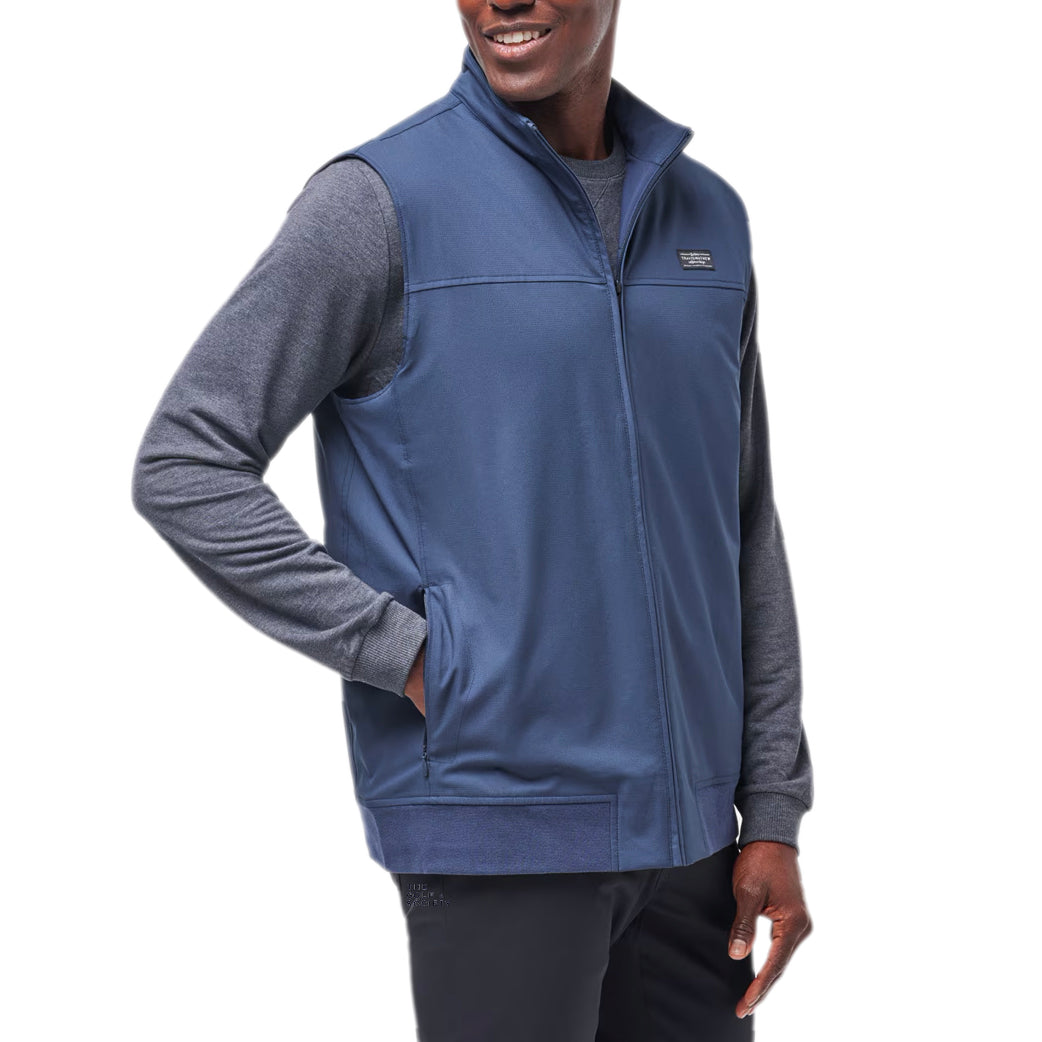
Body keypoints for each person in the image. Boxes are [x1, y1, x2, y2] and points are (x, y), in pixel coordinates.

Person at [131, 1, 814, 1038]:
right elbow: (187, 460)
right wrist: (412, 655)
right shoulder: (380, 202)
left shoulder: (705, 216)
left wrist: (770, 808)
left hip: (696, 852)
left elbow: (741, 523)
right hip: (499, 824)